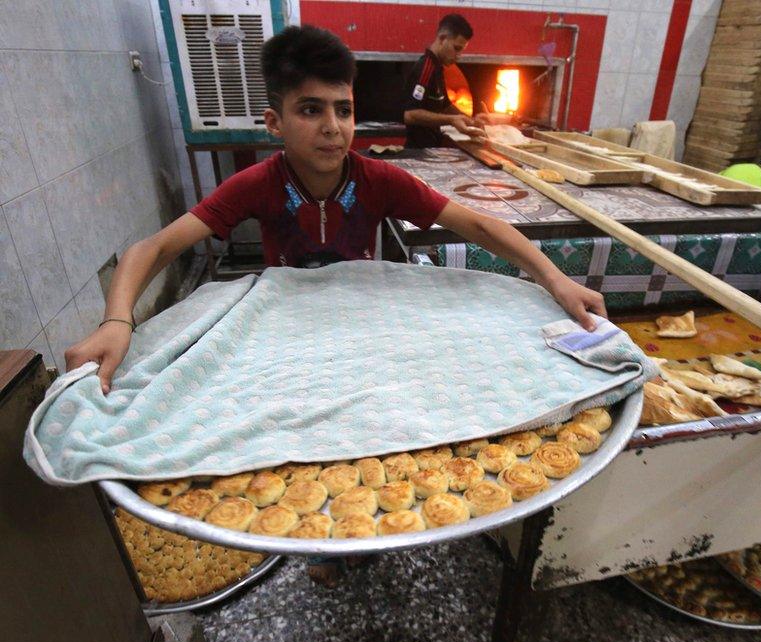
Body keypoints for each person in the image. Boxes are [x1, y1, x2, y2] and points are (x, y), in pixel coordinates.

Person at [64, 25, 605, 394]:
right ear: (274, 123)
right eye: (310, 110)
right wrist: (118, 321)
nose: (332, 126)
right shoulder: (257, 185)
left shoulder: (379, 179)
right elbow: (152, 248)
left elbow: (481, 224)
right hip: (288, 332)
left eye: (343, 110)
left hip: (362, 326)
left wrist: (556, 281)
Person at [403, 14, 489, 147]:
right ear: (442, 38)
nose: (459, 56)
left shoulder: (438, 68)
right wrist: (451, 120)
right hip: (418, 150)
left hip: (433, 147)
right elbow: (410, 114)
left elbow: (445, 105)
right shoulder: (426, 67)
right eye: (456, 48)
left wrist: (469, 121)